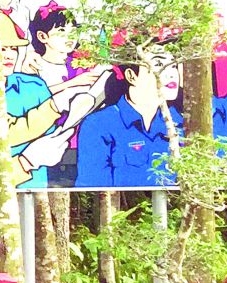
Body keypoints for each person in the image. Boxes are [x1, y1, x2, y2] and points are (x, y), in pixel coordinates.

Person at [76, 46, 184, 188]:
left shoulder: (181, 123)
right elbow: (93, 185)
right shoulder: (99, 125)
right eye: (158, 64)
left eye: (173, 66)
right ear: (131, 76)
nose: (172, 74)